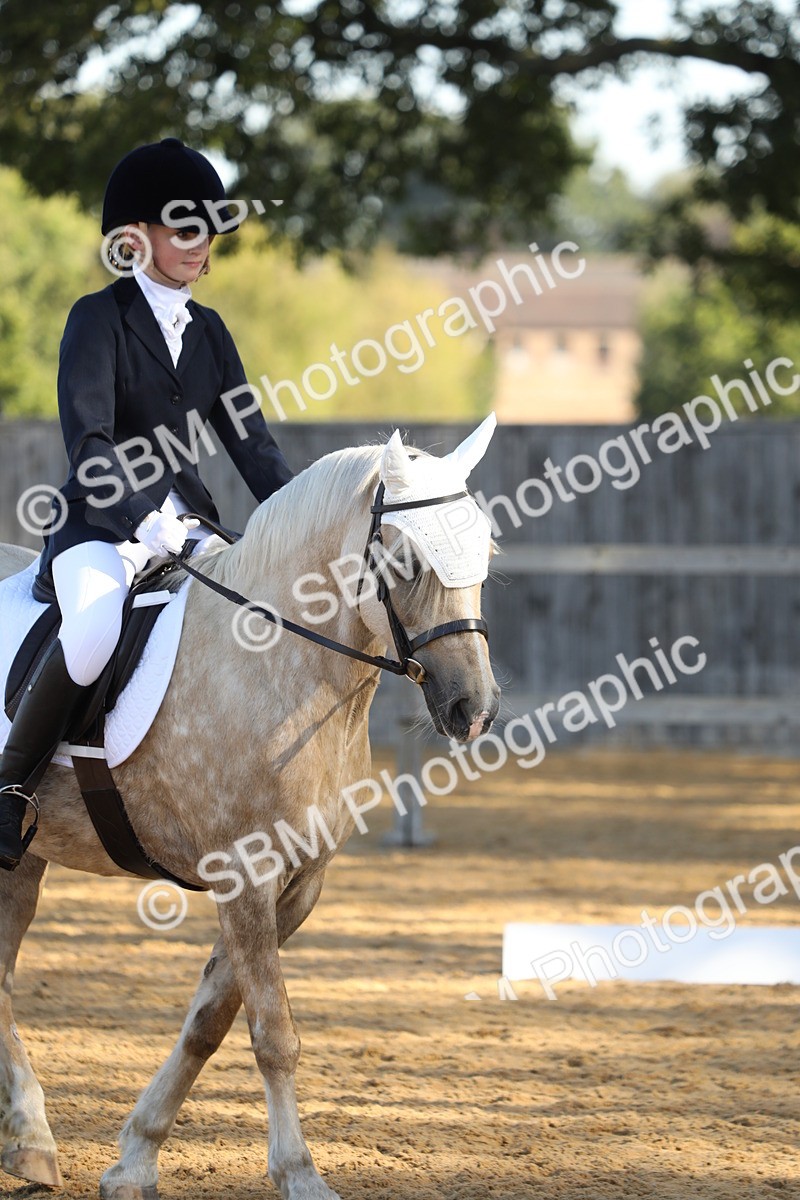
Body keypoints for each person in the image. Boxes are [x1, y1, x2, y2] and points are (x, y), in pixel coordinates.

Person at [0, 137, 293, 872]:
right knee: (96, 628)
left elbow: (251, 446)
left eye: (207, 231)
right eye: (184, 229)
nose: (200, 245)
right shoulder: (97, 319)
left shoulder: (211, 332)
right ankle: (8, 790)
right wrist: (146, 522)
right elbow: (89, 444)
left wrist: (300, 520)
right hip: (99, 527)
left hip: (191, 530)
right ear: (137, 238)